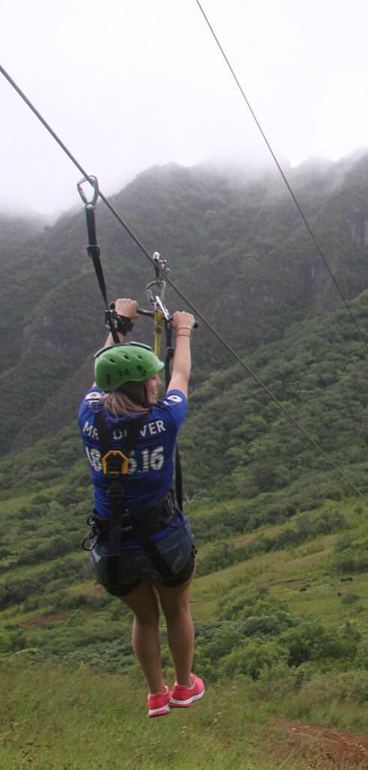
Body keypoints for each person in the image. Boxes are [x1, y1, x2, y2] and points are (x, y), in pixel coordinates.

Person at [79, 297, 204, 718]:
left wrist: (121, 324)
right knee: (176, 609)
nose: (157, 381)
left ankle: (155, 694)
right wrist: (183, 329)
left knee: (145, 618)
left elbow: (105, 371)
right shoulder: (164, 420)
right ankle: (184, 686)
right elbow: (181, 375)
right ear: (144, 385)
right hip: (164, 539)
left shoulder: (90, 417)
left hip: (111, 548)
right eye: (151, 378)